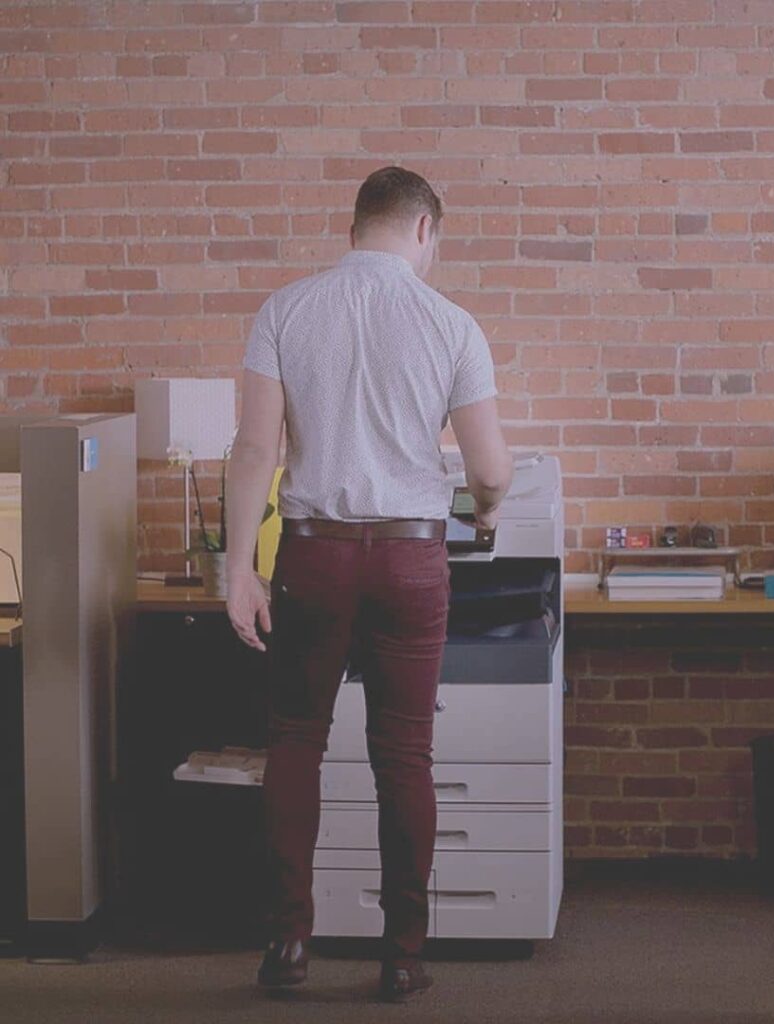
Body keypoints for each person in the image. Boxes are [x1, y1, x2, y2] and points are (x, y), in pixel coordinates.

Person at [224, 165, 513, 1003]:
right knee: (404, 756)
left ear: (357, 225)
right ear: (424, 230)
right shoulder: (451, 323)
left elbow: (254, 453)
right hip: (411, 557)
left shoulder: (285, 309)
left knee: (294, 740)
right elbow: (489, 470)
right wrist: (487, 513)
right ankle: (403, 956)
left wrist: (238, 568)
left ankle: (287, 944)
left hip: (311, 551)